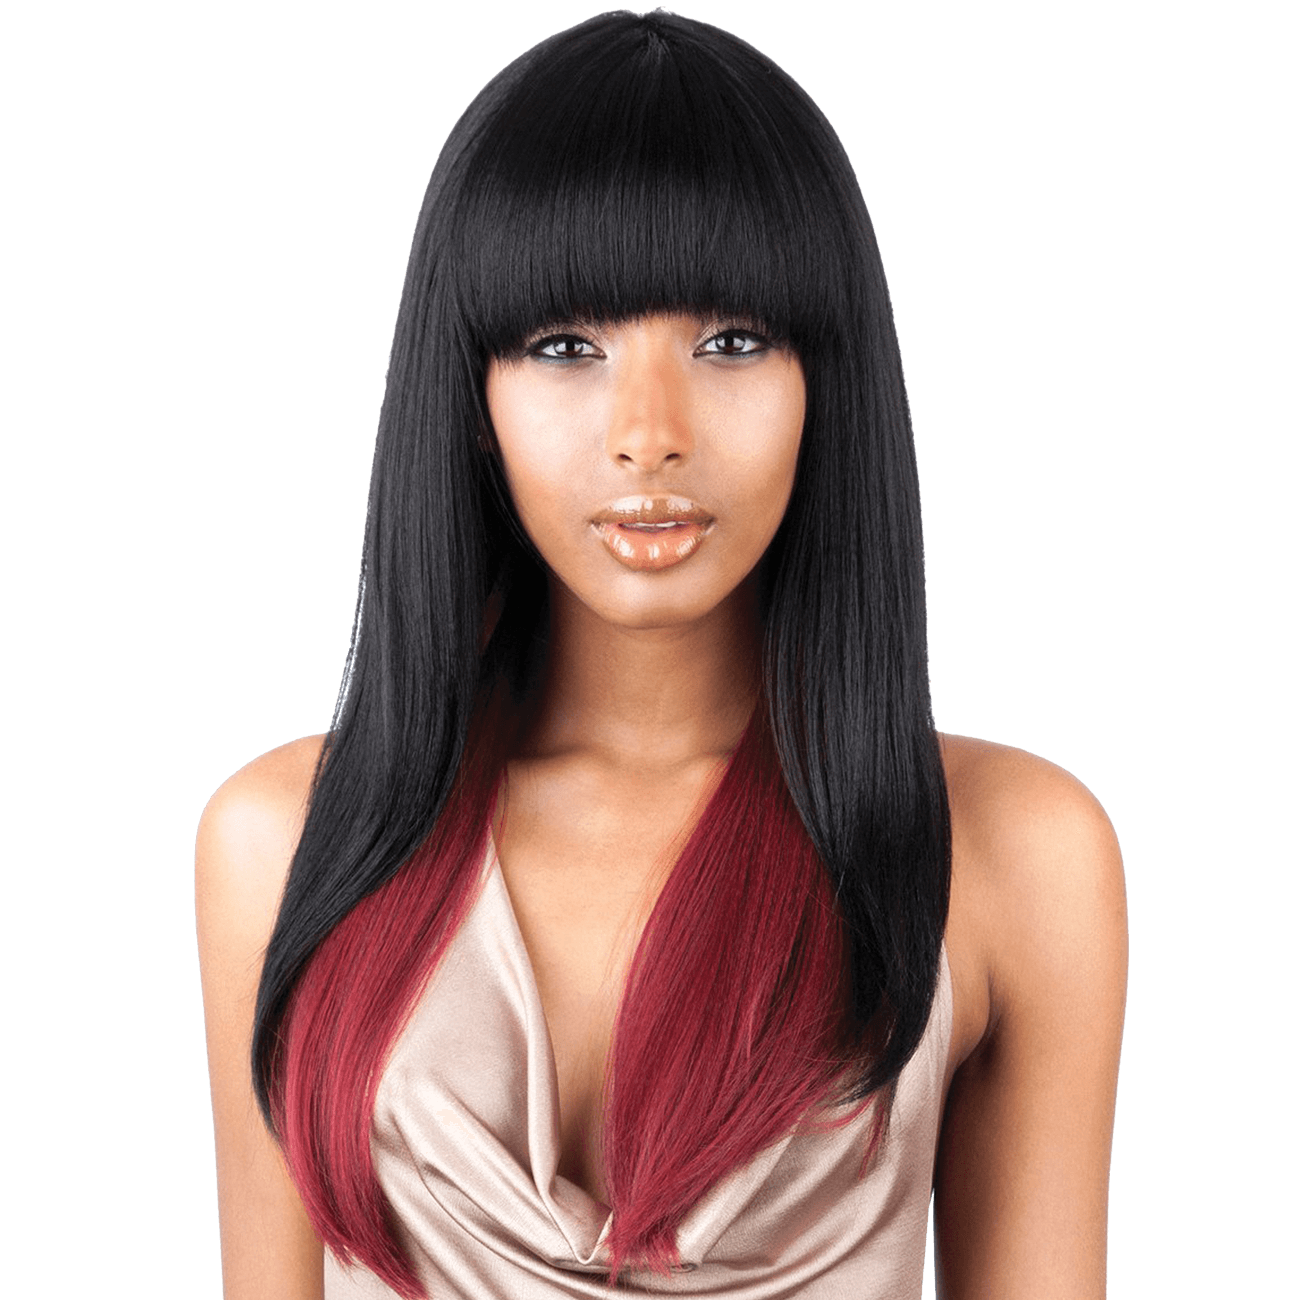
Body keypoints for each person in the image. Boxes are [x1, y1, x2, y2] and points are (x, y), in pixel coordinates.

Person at [195, 10, 1127, 1299]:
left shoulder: (1016, 850)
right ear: (469, 392)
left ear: (827, 380)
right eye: (565, 346)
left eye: (732, 341)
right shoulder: (280, 840)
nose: (650, 433)